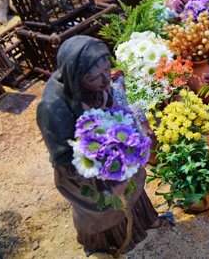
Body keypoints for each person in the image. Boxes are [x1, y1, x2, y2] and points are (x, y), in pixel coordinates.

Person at [36, 36, 164, 255]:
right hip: (85, 167)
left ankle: (143, 222)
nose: (106, 80)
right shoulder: (53, 107)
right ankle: (108, 244)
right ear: (76, 77)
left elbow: (112, 104)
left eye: (108, 70)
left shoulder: (92, 86)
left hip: (115, 155)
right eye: (96, 77)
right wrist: (101, 178)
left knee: (132, 191)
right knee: (103, 208)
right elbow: (64, 159)